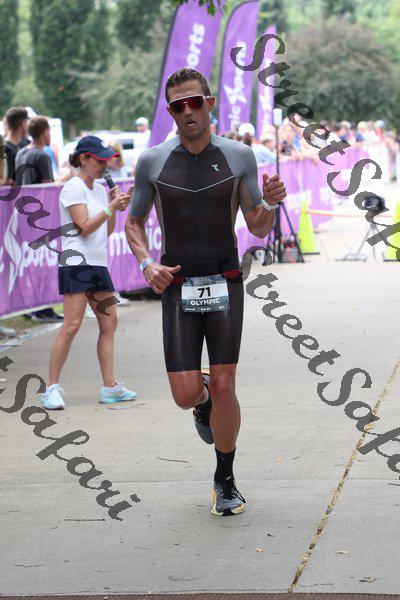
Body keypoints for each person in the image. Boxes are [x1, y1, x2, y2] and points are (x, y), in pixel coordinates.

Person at [125, 67, 286, 516]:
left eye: (194, 102)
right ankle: (203, 402)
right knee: (184, 394)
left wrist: (271, 202)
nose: (187, 111)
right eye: (178, 105)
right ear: (170, 110)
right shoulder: (152, 161)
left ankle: (225, 478)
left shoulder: (239, 156)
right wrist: (147, 263)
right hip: (177, 284)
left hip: (224, 281)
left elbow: (257, 225)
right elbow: (134, 222)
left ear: (209, 103)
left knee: (225, 382)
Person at [41, 135, 137, 410]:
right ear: (83, 159)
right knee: (71, 325)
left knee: (109, 323)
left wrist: (113, 208)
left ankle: (110, 386)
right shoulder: (73, 187)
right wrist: (111, 207)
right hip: (76, 264)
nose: (104, 165)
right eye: (99, 160)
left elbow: (106, 230)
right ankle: (51, 388)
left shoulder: (98, 189)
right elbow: (83, 227)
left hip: (97, 263)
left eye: (106, 160)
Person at [14, 116, 62, 323]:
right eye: (49, 131)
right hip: (40, 218)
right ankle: (44, 308)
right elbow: (47, 188)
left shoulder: (21, 152)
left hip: (23, 215)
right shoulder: (41, 155)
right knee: (43, 265)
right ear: (45, 132)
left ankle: (32, 306)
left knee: (30, 265)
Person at [4, 106, 29, 185]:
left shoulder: (27, 144)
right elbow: (7, 180)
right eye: (26, 122)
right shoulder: (4, 149)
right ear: (22, 124)